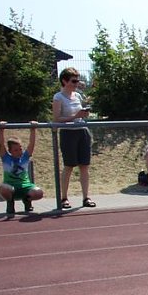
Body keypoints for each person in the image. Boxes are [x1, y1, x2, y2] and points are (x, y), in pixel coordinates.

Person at [52, 67, 95, 208]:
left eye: (77, 80)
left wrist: (83, 114)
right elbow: (57, 119)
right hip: (68, 133)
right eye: (73, 80)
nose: (76, 83)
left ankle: (86, 197)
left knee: (84, 166)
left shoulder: (77, 96)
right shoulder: (58, 97)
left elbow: (79, 113)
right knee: (69, 166)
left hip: (82, 131)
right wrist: (74, 116)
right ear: (64, 81)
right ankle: (64, 197)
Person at [0, 121, 43, 217]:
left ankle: (27, 200)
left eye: (20, 149)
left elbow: (31, 144)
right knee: (3, 189)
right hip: (11, 187)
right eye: (16, 150)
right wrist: (1, 130)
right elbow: (1, 145)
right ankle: (10, 203)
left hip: (24, 186)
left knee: (39, 193)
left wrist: (33, 129)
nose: (19, 152)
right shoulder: (6, 158)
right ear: (10, 151)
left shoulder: (25, 157)